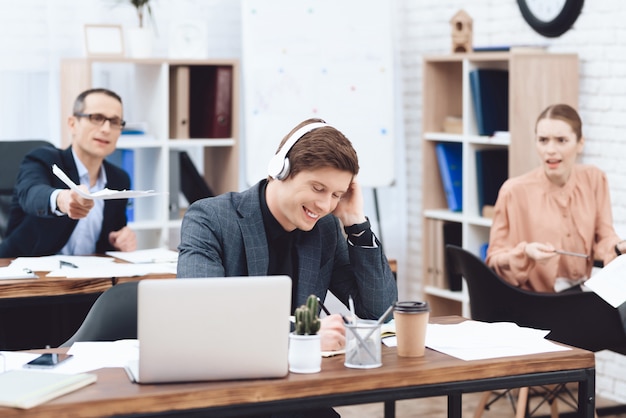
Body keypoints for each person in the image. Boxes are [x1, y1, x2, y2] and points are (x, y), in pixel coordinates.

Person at [177, 118, 398, 352]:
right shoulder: (210, 219)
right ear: (281, 170)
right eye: (318, 188)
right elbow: (202, 315)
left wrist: (356, 225)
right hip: (231, 373)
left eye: (336, 194)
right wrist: (304, 335)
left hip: (303, 376)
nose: (325, 205)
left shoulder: (326, 229)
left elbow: (379, 312)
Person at [486, 103, 626, 293]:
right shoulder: (513, 191)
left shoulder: (595, 178)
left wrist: (618, 247)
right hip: (535, 299)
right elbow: (494, 259)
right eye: (543, 140)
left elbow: (604, 238)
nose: (550, 150)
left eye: (561, 140)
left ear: (580, 143)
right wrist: (526, 252)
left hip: (582, 291)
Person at [0, 88, 136, 258]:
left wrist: (120, 240)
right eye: (97, 118)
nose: (106, 129)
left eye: (114, 121)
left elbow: (112, 237)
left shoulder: (119, 179)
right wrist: (61, 200)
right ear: (72, 124)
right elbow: (31, 193)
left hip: (87, 280)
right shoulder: (43, 159)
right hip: (28, 276)